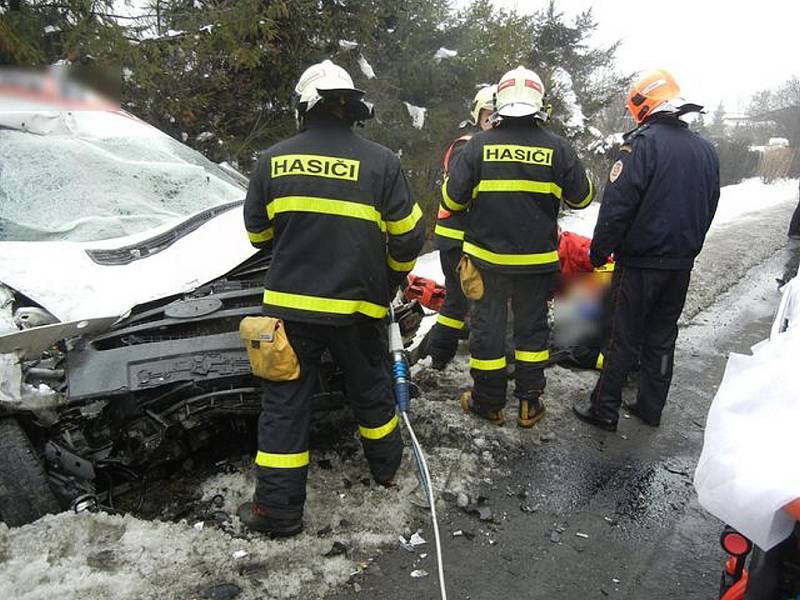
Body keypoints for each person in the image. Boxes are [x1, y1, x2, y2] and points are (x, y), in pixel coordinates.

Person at [239, 59, 425, 536]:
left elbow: (258, 235)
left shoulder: (271, 160)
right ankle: (386, 473)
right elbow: (409, 236)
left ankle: (277, 513)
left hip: (289, 310)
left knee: (284, 404)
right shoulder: (382, 161)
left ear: (305, 108)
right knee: (372, 392)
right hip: (358, 307)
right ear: (350, 108)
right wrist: (386, 281)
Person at [444, 66, 594, 428]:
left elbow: (451, 198)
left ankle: (488, 403)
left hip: (486, 264)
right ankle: (530, 404)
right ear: (540, 104)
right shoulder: (558, 147)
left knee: (488, 332)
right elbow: (584, 198)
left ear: (500, 103)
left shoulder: (478, 145)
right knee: (531, 332)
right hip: (536, 265)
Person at [572, 68, 720, 432]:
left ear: (643, 105)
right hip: (680, 263)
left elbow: (618, 205)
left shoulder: (641, 145)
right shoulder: (705, 149)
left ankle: (604, 408)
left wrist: (599, 250)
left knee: (622, 335)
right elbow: (711, 202)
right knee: (662, 336)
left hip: (639, 263)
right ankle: (650, 407)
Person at [424, 85, 496, 370]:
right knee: (468, 299)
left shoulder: (484, 143)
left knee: (459, 301)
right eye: (488, 113)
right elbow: (459, 191)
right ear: (479, 115)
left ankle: (440, 355)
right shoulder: (467, 145)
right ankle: (445, 356)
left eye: (496, 113)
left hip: (469, 237)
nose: (492, 119)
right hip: (460, 239)